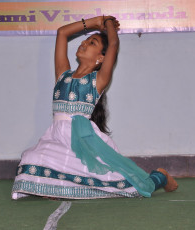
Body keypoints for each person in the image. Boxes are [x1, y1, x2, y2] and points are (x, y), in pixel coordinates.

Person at [12, 16, 178, 200]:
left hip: (83, 143)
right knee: (31, 159)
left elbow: (113, 45)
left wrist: (108, 24)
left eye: (92, 42)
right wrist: (94, 22)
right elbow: (62, 33)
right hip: (56, 140)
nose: (84, 42)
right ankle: (55, 187)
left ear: (101, 58)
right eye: (85, 40)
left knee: (129, 185)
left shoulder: (97, 81)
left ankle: (159, 177)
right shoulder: (63, 75)